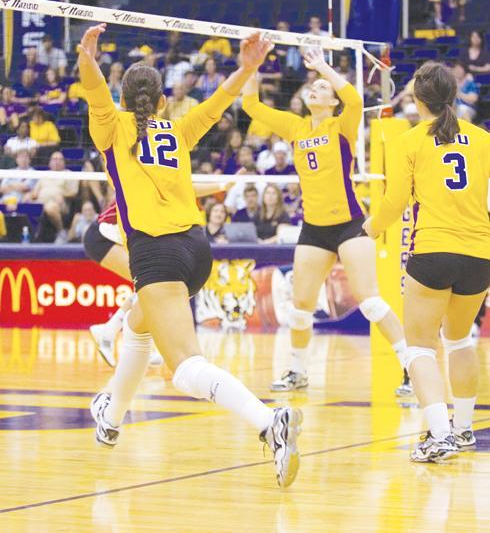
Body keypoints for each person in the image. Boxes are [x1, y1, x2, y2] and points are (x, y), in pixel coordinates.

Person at [79, 24, 301, 488]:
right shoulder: (177, 129)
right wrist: (248, 67)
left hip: (156, 255)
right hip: (197, 250)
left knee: (185, 369)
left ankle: (268, 422)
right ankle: (111, 415)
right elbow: (218, 101)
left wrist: (87, 55)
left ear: (126, 100)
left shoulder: (113, 124)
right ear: (161, 102)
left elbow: (96, 92)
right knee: (140, 326)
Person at [242, 48, 410, 394]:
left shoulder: (341, 124)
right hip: (314, 229)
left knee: (370, 300)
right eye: (313, 86)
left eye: (321, 88)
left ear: (331, 103)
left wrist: (322, 67)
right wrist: (251, 67)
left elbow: (353, 99)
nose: (314, 89)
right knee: (300, 306)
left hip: (350, 224)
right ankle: (299, 372)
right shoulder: (296, 126)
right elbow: (252, 107)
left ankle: (410, 368)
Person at [363, 61, 490, 463]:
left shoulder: (410, 140)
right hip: (479, 254)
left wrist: (369, 227)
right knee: (459, 340)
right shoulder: (482, 139)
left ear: (417, 98)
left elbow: (395, 202)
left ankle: (440, 436)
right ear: (452, 95)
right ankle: (465, 429)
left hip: (434, 249)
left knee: (419, 348)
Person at [86, 178, 232, 368]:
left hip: (120, 236)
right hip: (104, 237)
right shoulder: (150, 178)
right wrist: (221, 185)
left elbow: (185, 190)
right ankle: (117, 333)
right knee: (152, 286)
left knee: (153, 287)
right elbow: (188, 189)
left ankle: (109, 331)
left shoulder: (163, 184)